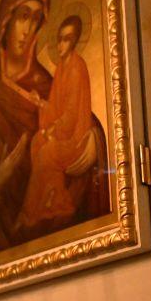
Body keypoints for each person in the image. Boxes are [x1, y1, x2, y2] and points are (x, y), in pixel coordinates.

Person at [0, 0, 108, 264]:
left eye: (36, 19)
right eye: (22, 16)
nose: (27, 30)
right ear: (5, 22)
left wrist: (95, 139)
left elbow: (74, 116)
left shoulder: (48, 84)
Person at [20, 15, 93, 227]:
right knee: (36, 142)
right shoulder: (61, 68)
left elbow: (71, 115)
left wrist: (53, 130)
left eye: (67, 39)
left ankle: (33, 211)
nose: (61, 44)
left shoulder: (77, 67)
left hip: (76, 136)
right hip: (62, 130)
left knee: (47, 152)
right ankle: (49, 199)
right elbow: (55, 108)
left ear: (75, 40)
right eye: (60, 39)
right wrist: (40, 103)